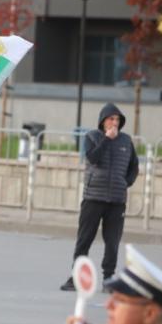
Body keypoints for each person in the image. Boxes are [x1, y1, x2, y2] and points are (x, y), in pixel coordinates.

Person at [61, 103, 139, 291]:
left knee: (112, 242)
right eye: (111, 119)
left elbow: (134, 167)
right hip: (93, 198)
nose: (115, 123)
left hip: (116, 201)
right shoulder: (92, 137)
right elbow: (93, 158)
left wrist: (125, 182)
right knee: (84, 239)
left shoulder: (126, 141)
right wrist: (106, 139)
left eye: (117, 119)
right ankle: (76, 277)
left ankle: (109, 279)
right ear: (103, 121)